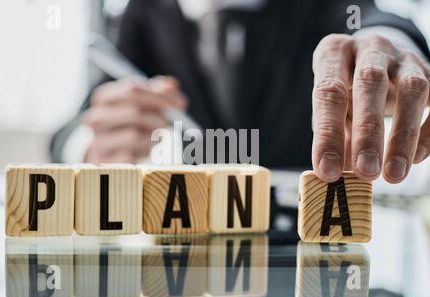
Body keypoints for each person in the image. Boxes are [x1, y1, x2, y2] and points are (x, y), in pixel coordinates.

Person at [51, 0, 430, 184]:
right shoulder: (145, 12)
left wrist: (386, 50)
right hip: (190, 244)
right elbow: (78, 124)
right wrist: (92, 145)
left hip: (304, 237)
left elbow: (374, 20)